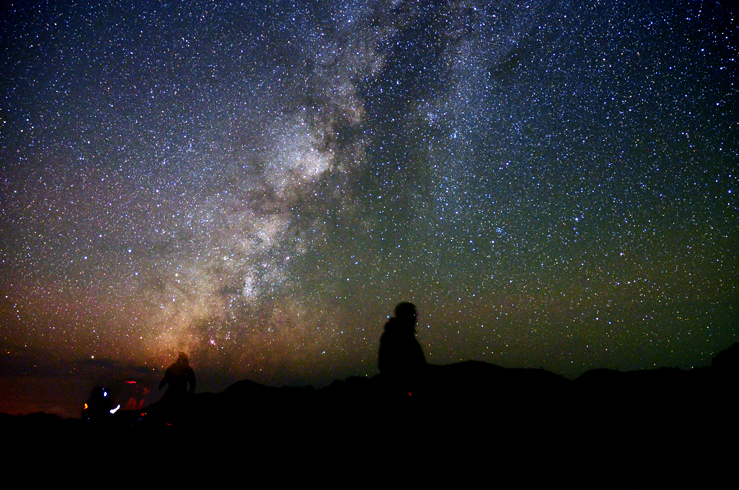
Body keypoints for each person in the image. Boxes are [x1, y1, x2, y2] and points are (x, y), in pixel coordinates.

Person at [378, 302, 426, 395]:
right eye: (413, 315)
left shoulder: (398, 333)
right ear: (406, 315)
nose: (416, 318)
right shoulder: (398, 335)